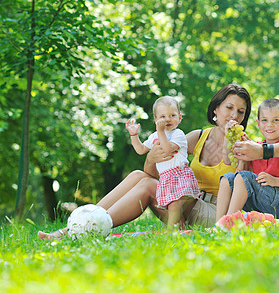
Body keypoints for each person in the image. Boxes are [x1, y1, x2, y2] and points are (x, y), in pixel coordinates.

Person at [38, 84, 251, 239]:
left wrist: (235, 148)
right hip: (183, 203)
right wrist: (151, 156)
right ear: (216, 109)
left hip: (214, 213)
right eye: (229, 108)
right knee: (138, 176)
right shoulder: (197, 137)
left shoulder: (243, 144)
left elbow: (242, 185)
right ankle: (76, 225)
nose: (235, 115)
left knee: (148, 185)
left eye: (241, 112)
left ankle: (89, 228)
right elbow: (152, 172)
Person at [216, 99, 279, 221]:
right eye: (265, 120)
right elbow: (240, 177)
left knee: (245, 177)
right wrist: (244, 157)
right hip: (264, 200)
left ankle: (229, 223)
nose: (269, 125)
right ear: (258, 123)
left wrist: (274, 181)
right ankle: (218, 225)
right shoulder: (256, 148)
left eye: (276, 120)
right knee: (227, 179)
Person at [125, 96, 201, 230]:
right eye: (162, 116)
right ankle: (181, 230)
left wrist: (160, 131)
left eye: (172, 115)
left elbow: (167, 149)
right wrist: (134, 136)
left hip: (180, 176)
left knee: (175, 205)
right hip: (166, 178)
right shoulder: (154, 136)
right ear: (155, 120)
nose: (167, 119)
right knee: (171, 207)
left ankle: (170, 233)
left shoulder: (178, 134)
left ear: (179, 118)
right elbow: (141, 150)